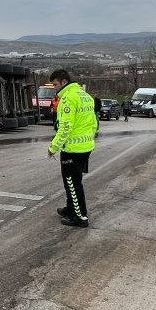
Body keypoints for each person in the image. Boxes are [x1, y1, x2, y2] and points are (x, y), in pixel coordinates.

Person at [47, 69, 97, 228]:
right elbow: (93, 123)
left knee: (72, 182)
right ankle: (71, 209)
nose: (54, 87)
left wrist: (53, 147)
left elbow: (65, 127)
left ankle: (80, 217)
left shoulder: (68, 98)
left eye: (55, 84)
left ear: (64, 82)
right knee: (74, 182)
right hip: (85, 147)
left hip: (73, 149)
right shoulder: (85, 96)